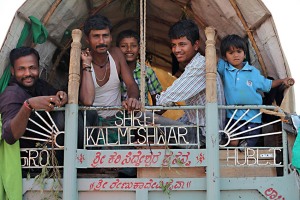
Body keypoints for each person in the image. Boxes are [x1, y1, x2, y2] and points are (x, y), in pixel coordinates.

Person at [80, 15, 142, 178]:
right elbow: (87, 101)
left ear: (111, 37)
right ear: (88, 39)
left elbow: (131, 85)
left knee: (127, 171)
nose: (102, 41)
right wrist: (86, 65)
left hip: (117, 122)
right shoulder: (81, 61)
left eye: (105, 35)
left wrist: (133, 98)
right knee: (101, 171)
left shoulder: (115, 54)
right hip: (93, 127)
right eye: (96, 36)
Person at [152, 19, 225, 147]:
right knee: (151, 127)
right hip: (199, 132)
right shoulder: (196, 65)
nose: (176, 49)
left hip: (204, 136)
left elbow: (165, 100)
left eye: (182, 44)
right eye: (173, 45)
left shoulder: (200, 66)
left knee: (144, 126)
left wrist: (144, 112)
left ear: (196, 45)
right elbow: (191, 115)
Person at [217, 34, 295, 148]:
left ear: (244, 54)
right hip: (233, 115)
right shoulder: (225, 69)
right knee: (232, 141)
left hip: (253, 115)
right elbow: (212, 58)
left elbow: (268, 84)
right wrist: (211, 40)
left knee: (250, 144)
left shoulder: (253, 72)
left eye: (239, 51)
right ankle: (231, 160)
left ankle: (244, 153)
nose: (236, 55)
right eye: (231, 53)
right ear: (225, 57)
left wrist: (283, 80)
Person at [116, 29, 163, 107]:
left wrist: (150, 116)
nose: (129, 50)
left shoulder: (147, 72)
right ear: (117, 49)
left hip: (141, 117)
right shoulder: (113, 71)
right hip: (117, 118)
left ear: (139, 48)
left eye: (133, 46)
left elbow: (158, 102)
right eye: (124, 46)